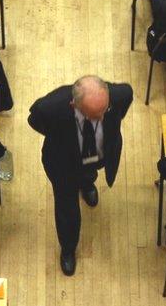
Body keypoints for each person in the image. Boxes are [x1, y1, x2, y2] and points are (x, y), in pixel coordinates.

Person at [28, 76, 133, 275]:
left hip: (98, 155)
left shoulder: (121, 94)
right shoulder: (50, 107)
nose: (102, 119)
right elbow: (35, 121)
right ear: (73, 105)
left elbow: (122, 108)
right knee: (67, 207)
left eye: (105, 111)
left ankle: (87, 184)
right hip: (63, 163)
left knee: (89, 173)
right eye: (94, 116)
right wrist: (58, 137)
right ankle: (68, 249)